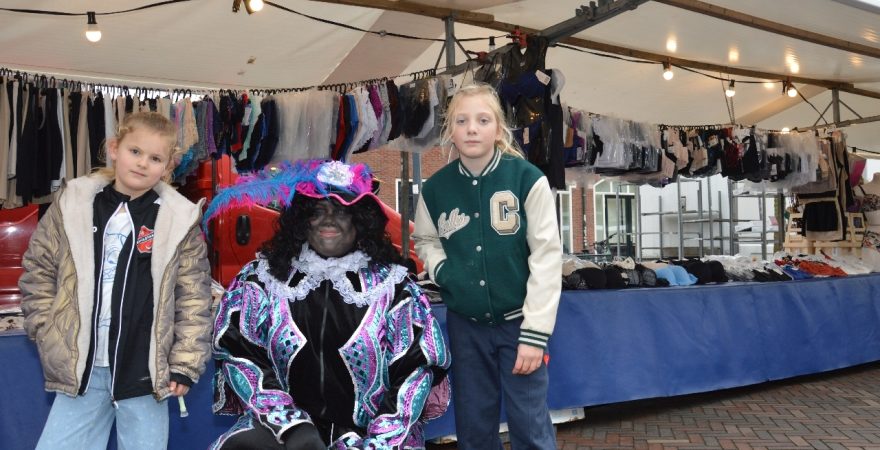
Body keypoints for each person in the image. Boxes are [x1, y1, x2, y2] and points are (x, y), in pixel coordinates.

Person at [205, 159, 450, 450]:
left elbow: (414, 374)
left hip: (375, 439)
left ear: (360, 220)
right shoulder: (261, 281)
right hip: (285, 435)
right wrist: (292, 427)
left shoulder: (395, 289)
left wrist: (376, 443)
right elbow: (241, 355)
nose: (328, 220)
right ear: (301, 220)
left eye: (342, 211)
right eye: (317, 211)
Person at [19, 111, 213, 449]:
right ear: (114, 148)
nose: (142, 163)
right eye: (134, 151)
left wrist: (185, 363)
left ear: (167, 167)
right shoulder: (73, 203)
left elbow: (194, 298)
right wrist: (47, 328)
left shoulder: (179, 221)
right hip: (82, 369)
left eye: (155, 158)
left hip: (145, 373)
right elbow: (39, 269)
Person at [413, 83, 563, 450]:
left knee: (530, 426)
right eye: (461, 121)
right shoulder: (436, 189)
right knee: (474, 427)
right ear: (450, 130)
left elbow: (546, 256)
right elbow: (426, 240)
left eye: (483, 120)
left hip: (519, 324)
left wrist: (535, 334)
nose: (472, 129)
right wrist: (443, 272)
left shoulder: (528, 179)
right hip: (466, 327)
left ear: (498, 128)